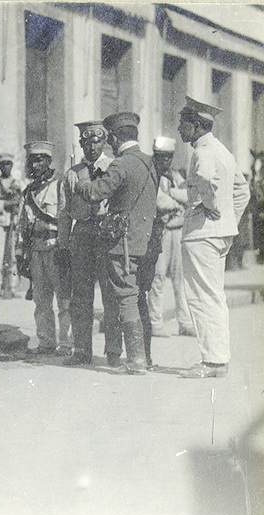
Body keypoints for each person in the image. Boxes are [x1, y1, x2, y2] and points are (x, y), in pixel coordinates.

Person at [74, 111, 158, 375]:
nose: (108, 141)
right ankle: (143, 358)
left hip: (122, 245)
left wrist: (82, 180)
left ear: (117, 137)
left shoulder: (121, 164)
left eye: (109, 137)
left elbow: (95, 193)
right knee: (137, 297)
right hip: (144, 242)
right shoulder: (149, 162)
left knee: (126, 298)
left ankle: (136, 361)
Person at [176, 96, 251, 378]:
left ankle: (212, 362)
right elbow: (242, 191)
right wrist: (229, 220)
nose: (179, 128)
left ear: (196, 126)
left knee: (202, 298)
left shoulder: (204, 152)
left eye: (183, 123)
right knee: (214, 296)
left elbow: (206, 179)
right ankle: (219, 359)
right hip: (219, 234)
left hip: (202, 234)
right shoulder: (223, 151)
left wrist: (210, 206)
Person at [58, 120, 115, 366]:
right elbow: (64, 212)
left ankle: (113, 351)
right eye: (87, 143)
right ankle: (81, 350)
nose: (92, 147)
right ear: (81, 145)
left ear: (104, 143)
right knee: (80, 296)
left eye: (97, 142)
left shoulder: (113, 168)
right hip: (81, 235)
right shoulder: (72, 174)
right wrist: (62, 245)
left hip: (106, 234)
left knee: (111, 294)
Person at [17, 141, 72, 356]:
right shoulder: (28, 192)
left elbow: (67, 220)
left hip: (55, 248)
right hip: (36, 251)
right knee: (41, 301)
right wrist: (20, 254)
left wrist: (65, 249)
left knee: (64, 300)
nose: (35, 165)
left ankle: (66, 344)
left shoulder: (59, 187)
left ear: (49, 161)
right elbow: (22, 225)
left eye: (40, 160)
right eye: (32, 160)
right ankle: (46, 342)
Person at [147, 136, 194, 339]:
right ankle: (154, 322)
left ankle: (185, 322)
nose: (165, 160)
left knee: (180, 278)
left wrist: (173, 194)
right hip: (161, 230)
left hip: (178, 230)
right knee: (158, 276)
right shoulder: (152, 174)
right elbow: (158, 200)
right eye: (161, 156)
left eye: (168, 157)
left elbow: (189, 196)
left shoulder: (176, 175)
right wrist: (176, 203)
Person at [0, 153, 24, 298]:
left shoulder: (18, 183)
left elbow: (24, 201)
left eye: (8, 164)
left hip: (14, 223)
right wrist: (6, 204)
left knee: (13, 256)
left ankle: (12, 286)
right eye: (3, 164)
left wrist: (17, 205)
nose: (6, 167)